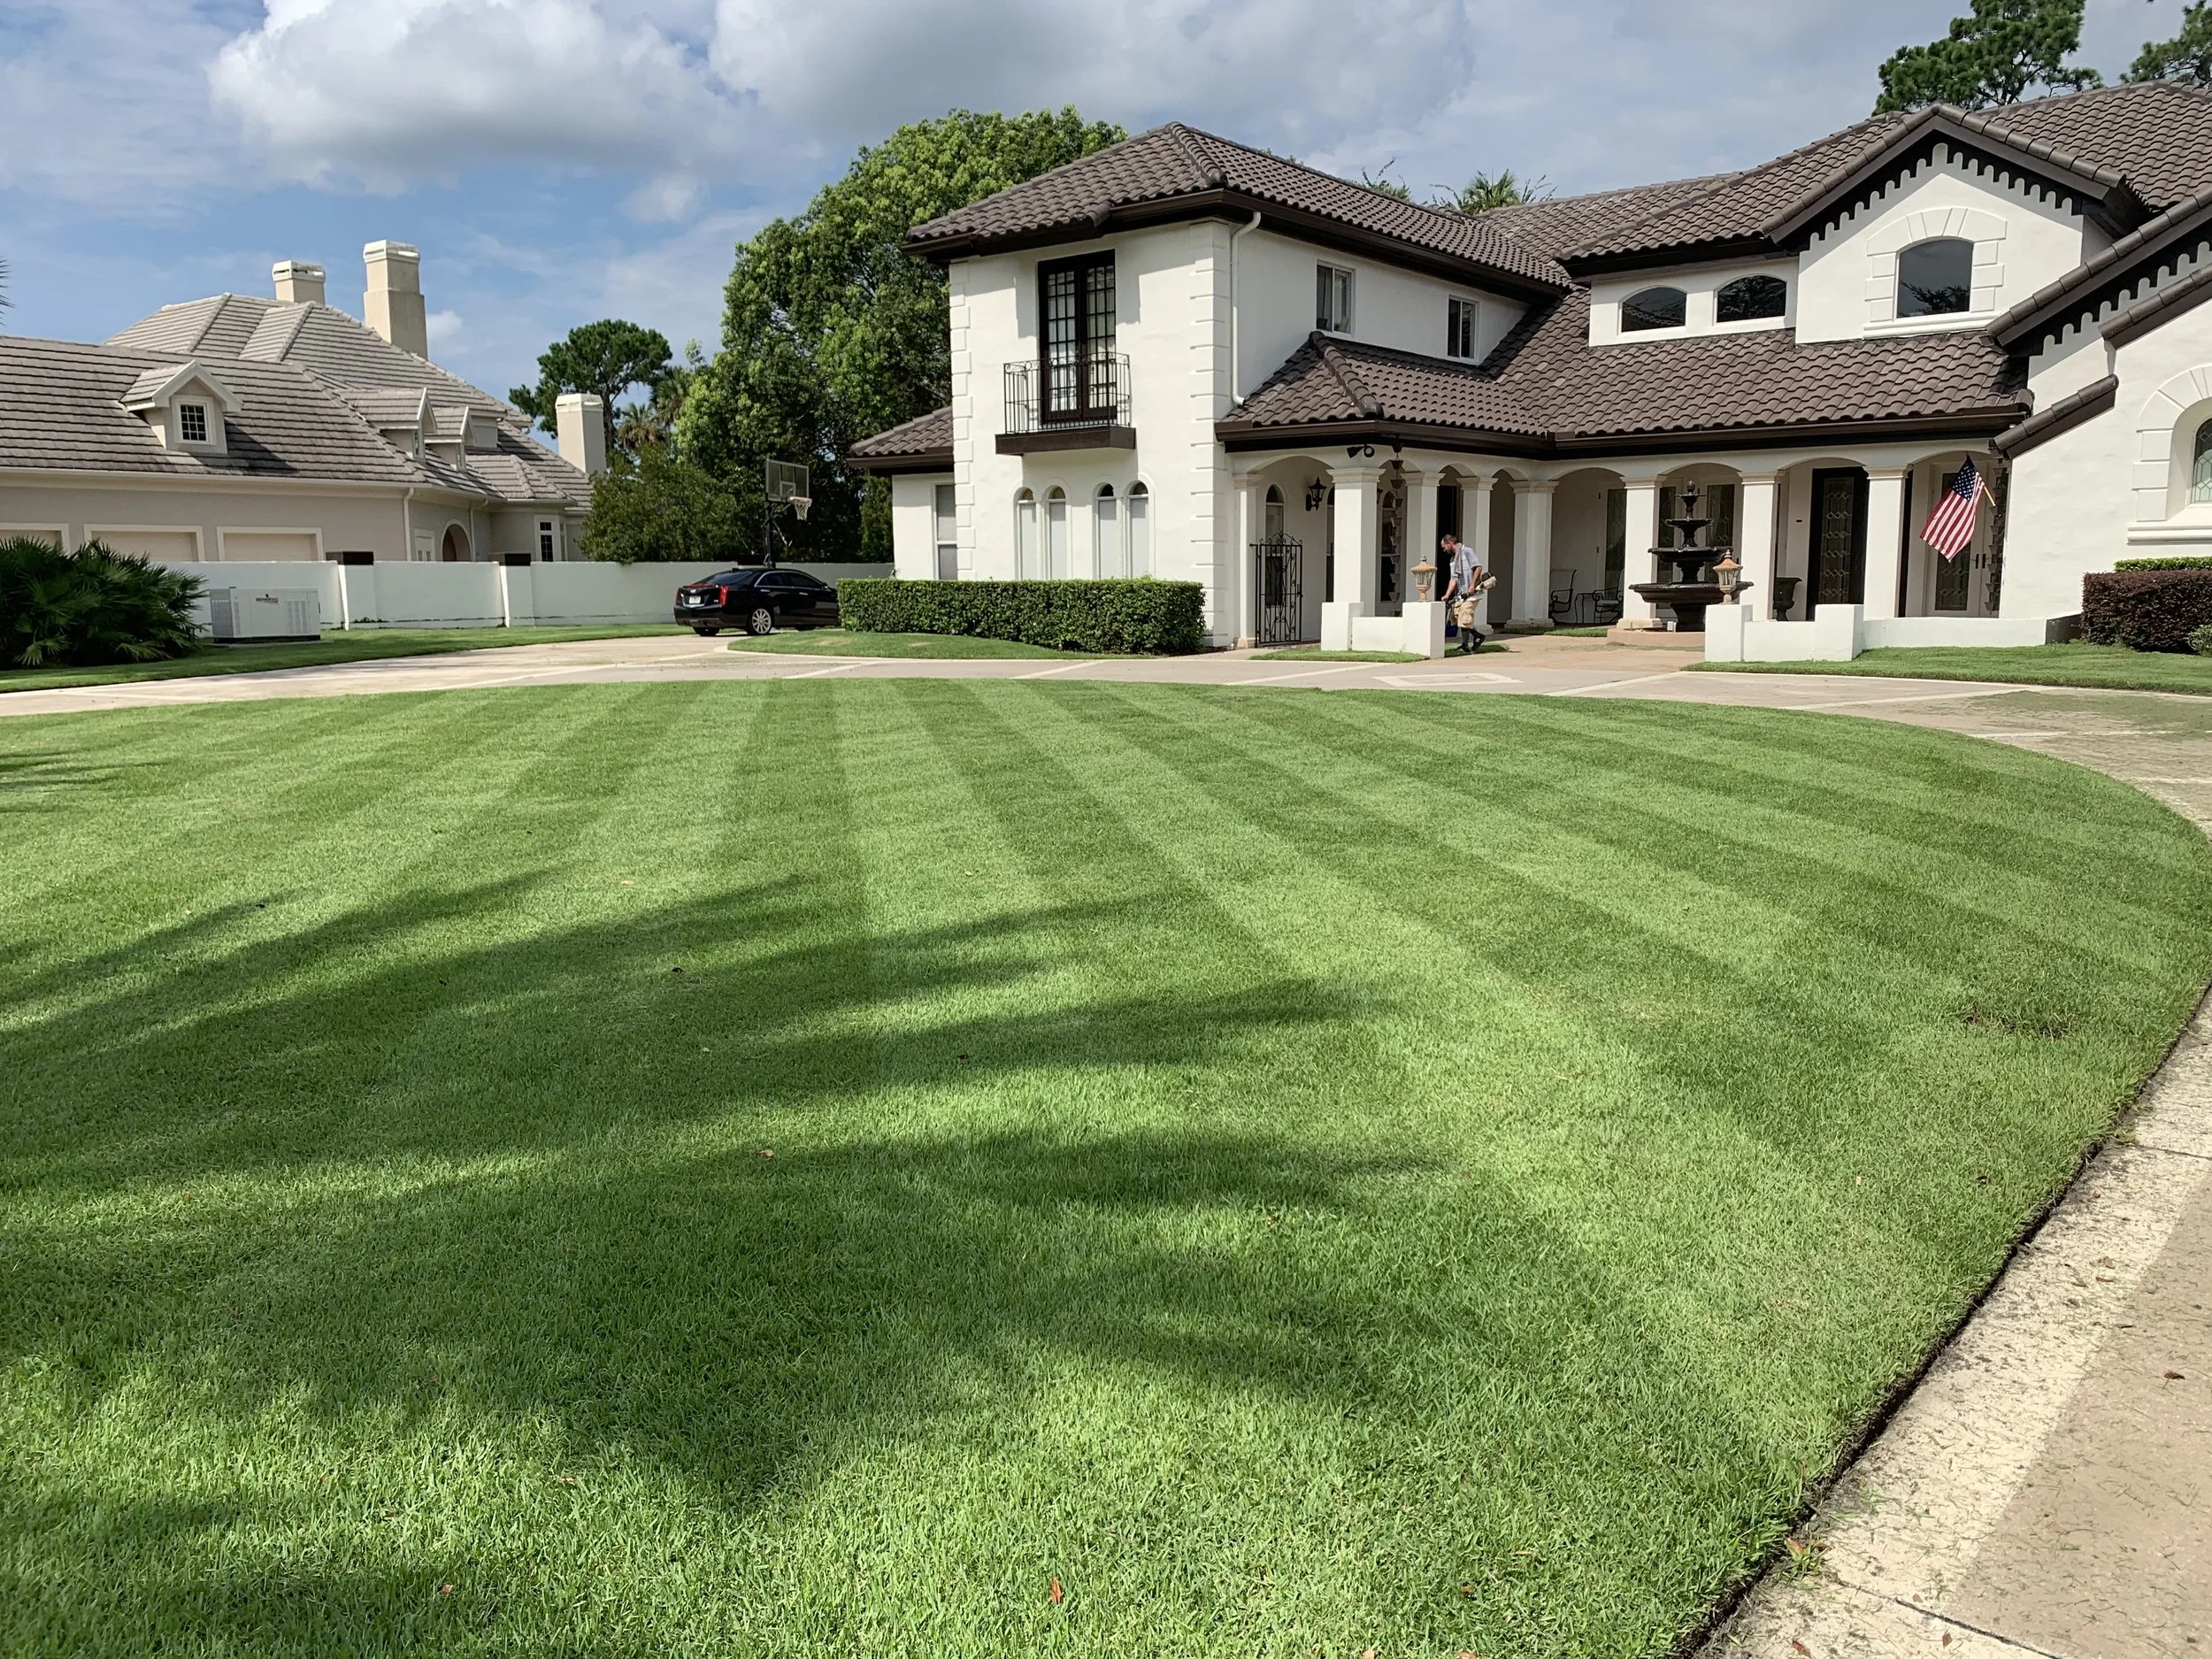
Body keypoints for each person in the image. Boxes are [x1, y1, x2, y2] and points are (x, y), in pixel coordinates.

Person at [1440, 532, 1486, 653]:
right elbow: (1453, 579)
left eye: (1444, 547)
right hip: (1461, 594)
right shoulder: (1453, 560)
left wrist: (1472, 585)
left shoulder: (1467, 552)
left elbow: (1478, 568)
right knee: (1456, 616)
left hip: (1472, 594)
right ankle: (1478, 636)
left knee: (1464, 617)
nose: (1444, 550)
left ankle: (1465, 646)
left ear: (1450, 543)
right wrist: (1447, 595)